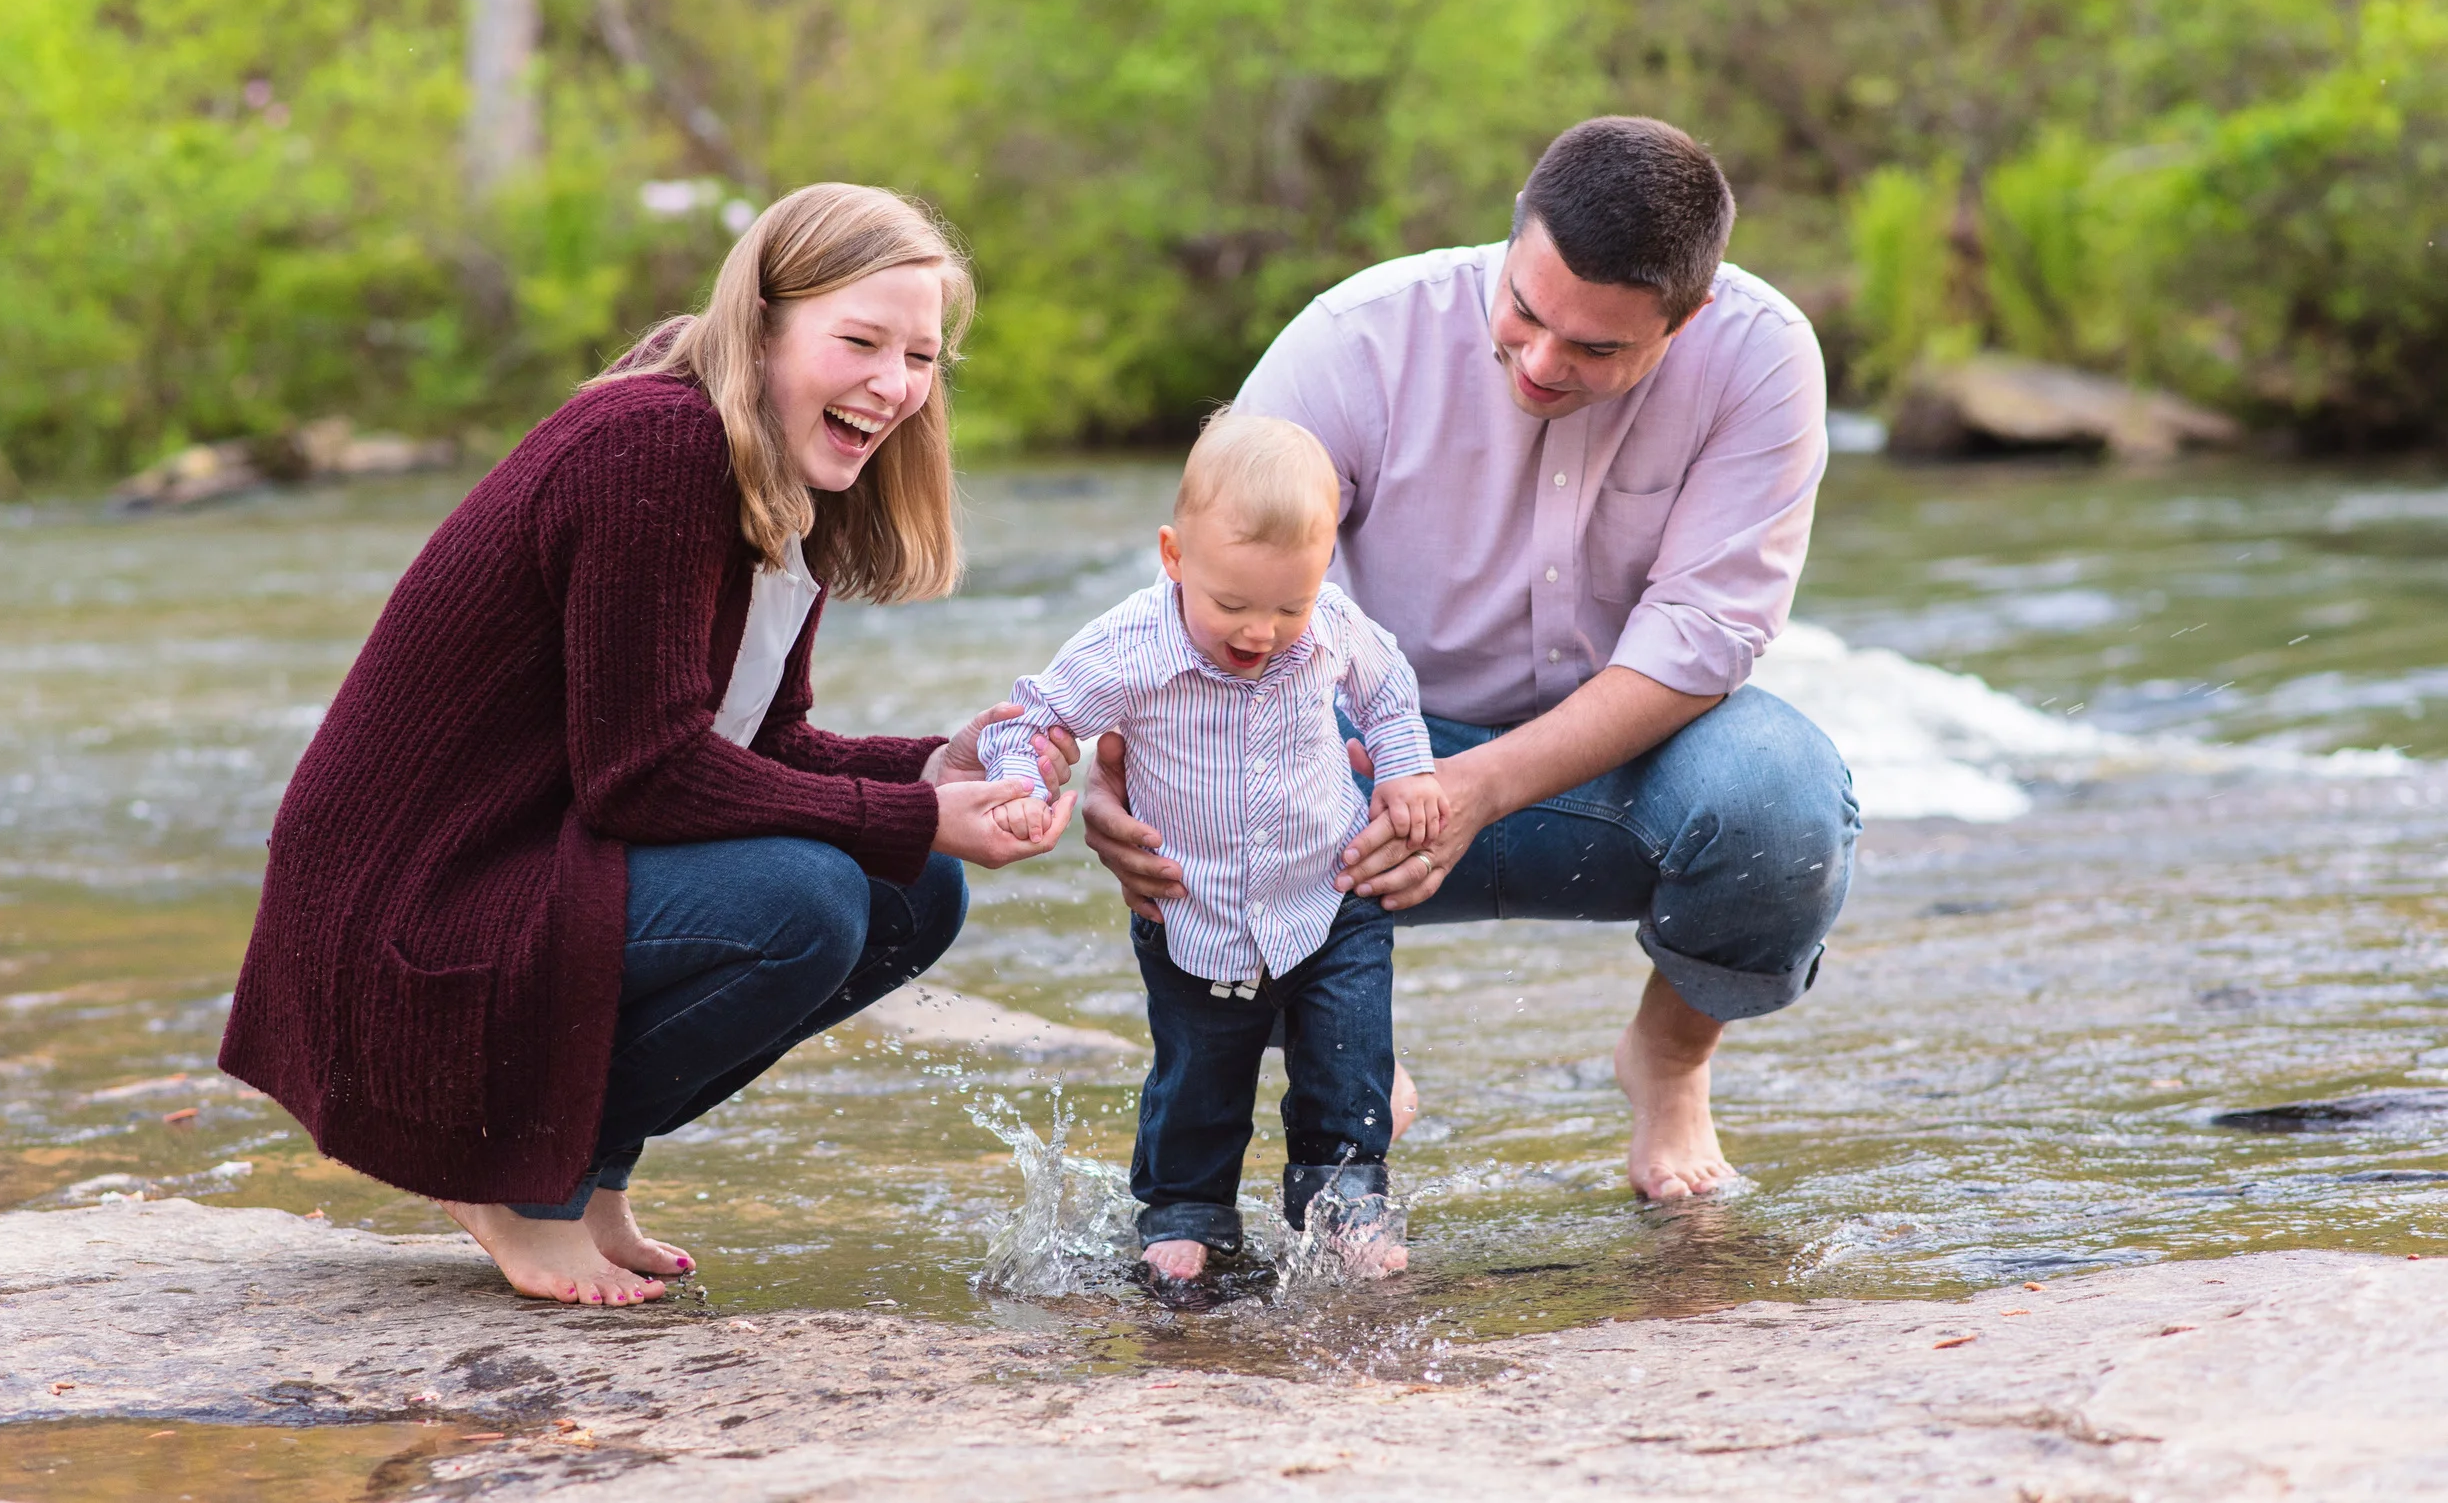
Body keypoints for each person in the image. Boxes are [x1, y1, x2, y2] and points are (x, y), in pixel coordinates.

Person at [219, 184, 1079, 1306]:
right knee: (810, 900)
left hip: (536, 864)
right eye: (860, 341)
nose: (894, 385)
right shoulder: (655, 447)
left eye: (920, 357)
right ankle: (515, 1181)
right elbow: (647, 775)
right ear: (761, 324)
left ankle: (588, 1172)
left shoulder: (779, 468)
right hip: (415, 909)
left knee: (921, 885)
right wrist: (909, 810)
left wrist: (928, 769)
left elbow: (759, 741)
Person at [1084, 116, 1862, 1202]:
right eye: (1525, 312)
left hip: (1617, 773)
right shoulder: (1355, 338)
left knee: (1785, 804)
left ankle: (1670, 1064)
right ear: (1510, 240)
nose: (1541, 363)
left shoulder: (1760, 357)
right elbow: (1205, 592)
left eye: (1596, 350)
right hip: (1352, 771)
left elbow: (1703, 637)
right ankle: (1339, 1032)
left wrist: (1477, 788)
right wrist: (1120, 766)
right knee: (1193, 777)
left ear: (1687, 320)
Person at [979, 415, 1444, 1281]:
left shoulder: (1332, 624)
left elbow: (1389, 691)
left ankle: (1344, 1199)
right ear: (1174, 555)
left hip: (1329, 893)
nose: (1261, 630)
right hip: (1195, 906)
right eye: (1232, 604)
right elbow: (1039, 716)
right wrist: (1023, 782)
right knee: (1199, 1068)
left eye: (1288, 605)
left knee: (1347, 1055)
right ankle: (1186, 1208)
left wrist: (1408, 770)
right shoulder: (1130, 645)